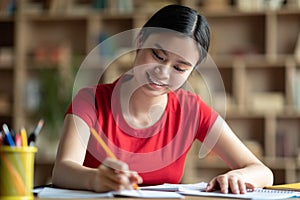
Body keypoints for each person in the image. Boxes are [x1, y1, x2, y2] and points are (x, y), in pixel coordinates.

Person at [52, 4, 273, 194]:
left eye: (179, 67)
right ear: (140, 41)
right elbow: (62, 169)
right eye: (157, 55)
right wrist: (95, 180)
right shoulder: (90, 100)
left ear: (191, 71)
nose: (162, 72)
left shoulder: (192, 110)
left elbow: (263, 172)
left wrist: (240, 176)